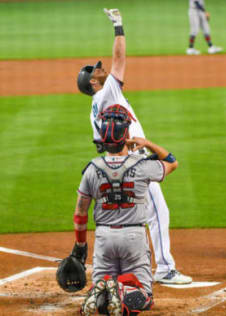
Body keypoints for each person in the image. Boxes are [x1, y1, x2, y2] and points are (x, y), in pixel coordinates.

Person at [76, 8, 192, 284]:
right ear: (93, 82)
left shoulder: (97, 105)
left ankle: (119, 266)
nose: (101, 70)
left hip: (115, 165)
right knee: (156, 213)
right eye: (96, 71)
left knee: (131, 217)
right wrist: (119, 26)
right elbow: (119, 59)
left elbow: (100, 142)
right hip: (134, 164)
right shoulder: (107, 92)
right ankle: (164, 269)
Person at [75, 104, 179, 315]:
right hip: (134, 237)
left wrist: (80, 244)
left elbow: (80, 212)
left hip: (104, 237)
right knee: (143, 299)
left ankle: (105, 284)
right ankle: (122, 286)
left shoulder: (92, 169)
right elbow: (172, 162)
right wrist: (146, 143)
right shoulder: (142, 165)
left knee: (103, 304)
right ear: (127, 135)